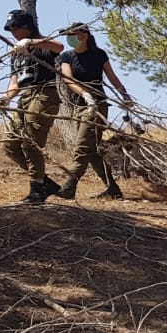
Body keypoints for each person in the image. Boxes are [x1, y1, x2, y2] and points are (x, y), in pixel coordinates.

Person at [54, 23, 132, 200]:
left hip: (97, 106)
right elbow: (68, 80)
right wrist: (83, 93)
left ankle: (70, 185)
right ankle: (112, 188)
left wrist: (125, 96)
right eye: (68, 35)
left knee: (83, 146)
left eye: (73, 34)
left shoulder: (99, 55)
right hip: (79, 105)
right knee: (91, 150)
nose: (70, 38)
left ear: (85, 35)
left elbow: (112, 77)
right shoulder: (67, 56)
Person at [0, 9, 66, 205]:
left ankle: (36, 192)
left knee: (31, 143)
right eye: (10, 29)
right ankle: (44, 182)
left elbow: (59, 46)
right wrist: (5, 98)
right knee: (10, 145)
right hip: (25, 97)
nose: (13, 32)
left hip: (45, 94)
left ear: (27, 27)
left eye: (16, 28)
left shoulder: (42, 45)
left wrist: (31, 42)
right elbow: (15, 83)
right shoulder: (16, 53)